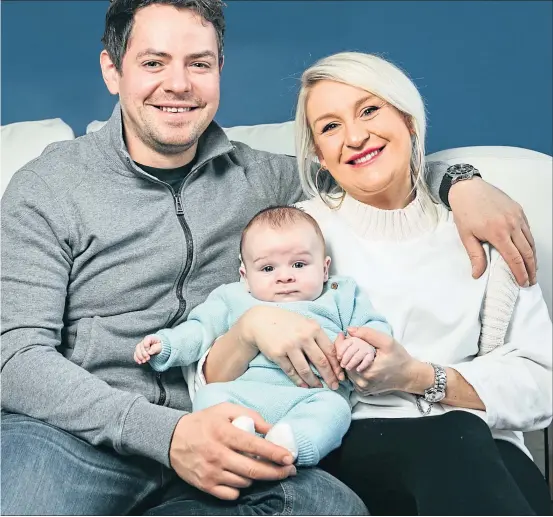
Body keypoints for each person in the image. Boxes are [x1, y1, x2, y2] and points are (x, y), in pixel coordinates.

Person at [0, 0, 540, 513]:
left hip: (237, 431)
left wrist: (462, 183)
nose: (179, 84)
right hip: (76, 439)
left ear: (220, 71)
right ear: (112, 71)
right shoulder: (50, 186)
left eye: (199, 63)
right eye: (154, 62)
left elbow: (374, 168)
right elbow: (15, 357)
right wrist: (166, 435)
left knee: (333, 505)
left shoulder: (262, 179)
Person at [201, 52, 553, 515]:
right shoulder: (299, 233)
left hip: (479, 442)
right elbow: (210, 370)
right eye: (329, 127)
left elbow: (540, 381)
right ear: (317, 155)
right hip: (345, 439)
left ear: (407, 119)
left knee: (508, 475)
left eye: (369, 110)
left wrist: (417, 377)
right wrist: (250, 328)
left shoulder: (483, 225)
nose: (355, 136)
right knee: (456, 437)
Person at [134, 205, 392, 466]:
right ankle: (236, 439)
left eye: (299, 264)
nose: (285, 277)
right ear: (245, 276)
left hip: (313, 395)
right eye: (268, 269)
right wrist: (167, 345)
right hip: (243, 393)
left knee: (336, 410)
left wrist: (363, 346)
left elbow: (373, 326)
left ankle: (292, 447)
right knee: (209, 397)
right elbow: (199, 330)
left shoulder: (340, 294)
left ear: (325, 269)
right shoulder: (232, 297)